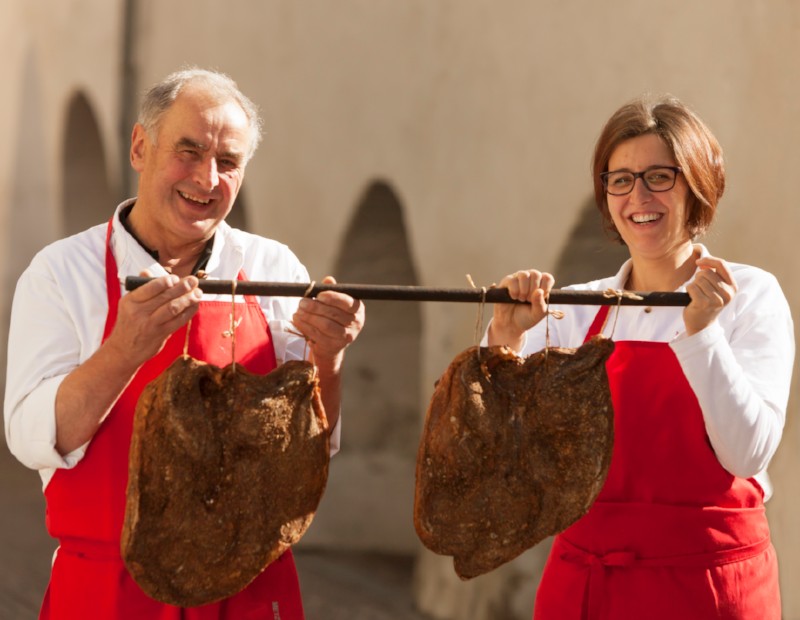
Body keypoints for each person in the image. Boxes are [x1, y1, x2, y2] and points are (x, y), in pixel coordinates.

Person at [4, 68, 365, 619]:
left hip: (249, 587)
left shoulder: (273, 268)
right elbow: (33, 440)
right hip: (111, 592)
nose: (207, 178)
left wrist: (329, 358)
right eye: (189, 152)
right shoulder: (60, 274)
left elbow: (309, 449)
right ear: (140, 147)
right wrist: (125, 350)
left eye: (228, 163)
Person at [487, 95, 794, 619]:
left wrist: (702, 337)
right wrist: (504, 342)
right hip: (586, 585)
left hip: (709, 584)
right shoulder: (574, 310)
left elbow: (748, 454)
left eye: (659, 176)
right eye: (620, 179)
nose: (638, 195)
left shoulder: (750, 295)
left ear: (697, 183)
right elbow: (493, 447)